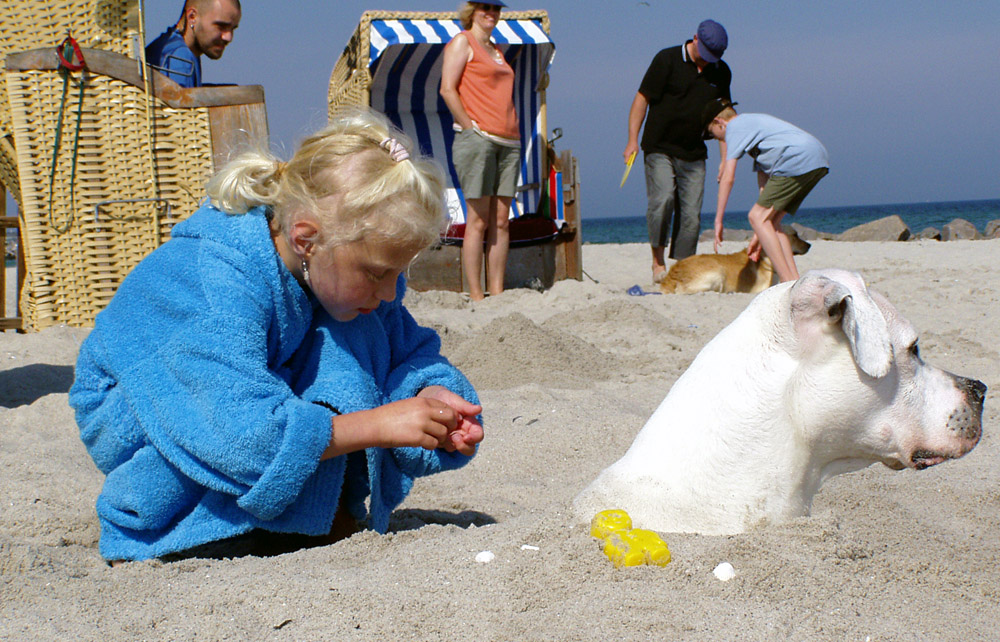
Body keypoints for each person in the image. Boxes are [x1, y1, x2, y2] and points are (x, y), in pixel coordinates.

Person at [69, 109, 485, 562]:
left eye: (399, 273)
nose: (390, 292)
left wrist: (434, 394)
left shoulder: (334, 269)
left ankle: (317, 515)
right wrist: (379, 425)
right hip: (149, 406)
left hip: (237, 393)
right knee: (329, 348)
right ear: (306, 238)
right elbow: (237, 432)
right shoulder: (211, 279)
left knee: (355, 329)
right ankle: (225, 529)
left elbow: (404, 348)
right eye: (378, 273)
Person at [624, 19, 732, 284]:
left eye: (713, 58)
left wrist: (725, 159)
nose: (707, 62)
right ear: (695, 39)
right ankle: (658, 262)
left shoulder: (721, 71)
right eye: (705, 55)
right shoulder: (667, 59)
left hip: (694, 151)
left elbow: (724, 118)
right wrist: (632, 140)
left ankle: (682, 267)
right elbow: (642, 99)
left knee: (691, 215)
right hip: (659, 146)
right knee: (662, 201)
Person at [439, 1, 521, 301]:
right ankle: (476, 294)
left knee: (502, 220)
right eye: (484, 7)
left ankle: (497, 291)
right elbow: (447, 88)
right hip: (479, 139)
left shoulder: (498, 50)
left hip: (509, 141)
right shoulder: (463, 42)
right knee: (478, 219)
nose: (491, 12)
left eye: (496, 8)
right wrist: (469, 127)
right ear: (471, 11)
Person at [704, 98, 829, 282]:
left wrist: (718, 221)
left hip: (797, 158)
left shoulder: (735, 127)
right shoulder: (757, 138)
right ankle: (793, 281)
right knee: (771, 223)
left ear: (719, 122)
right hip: (816, 158)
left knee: (755, 216)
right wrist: (759, 234)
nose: (717, 139)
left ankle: (787, 281)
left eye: (712, 134)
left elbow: (728, 178)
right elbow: (765, 192)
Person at [145, 0, 241, 88]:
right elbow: (179, 104)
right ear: (192, 16)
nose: (228, 37)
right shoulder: (179, 56)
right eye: (221, 26)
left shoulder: (181, 48)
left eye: (232, 28)